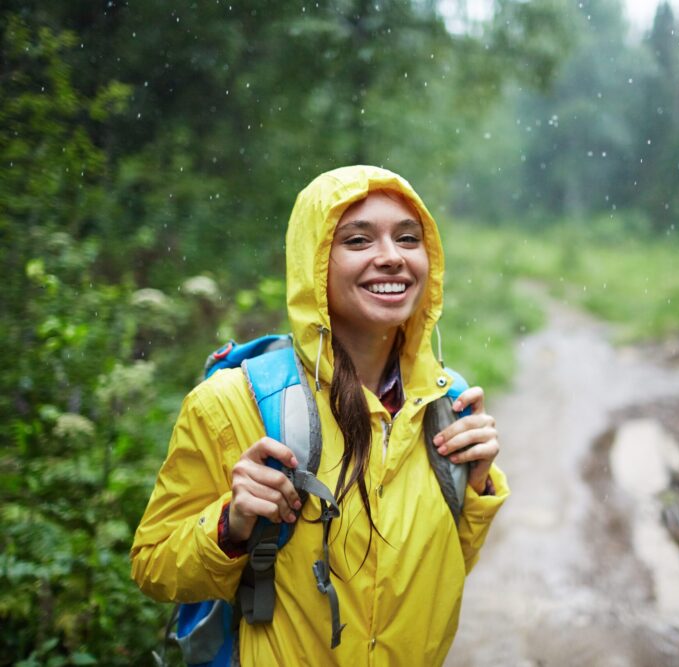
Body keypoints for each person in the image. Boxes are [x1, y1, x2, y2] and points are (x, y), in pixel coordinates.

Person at [131, 165, 508, 665]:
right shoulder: (231, 403)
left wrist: (475, 488)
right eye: (357, 240)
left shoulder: (445, 403)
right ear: (314, 263)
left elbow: (440, 574)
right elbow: (154, 566)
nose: (391, 258)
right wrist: (231, 522)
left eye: (408, 238)